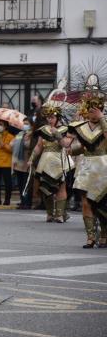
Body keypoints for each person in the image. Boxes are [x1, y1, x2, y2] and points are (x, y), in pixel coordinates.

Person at [63, 68, 107, 248]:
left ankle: (104, 235)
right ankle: (90, 237)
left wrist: (102, 119)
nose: (93, 112)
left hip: (104, 166)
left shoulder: (105, 124)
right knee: (86, 201)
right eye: (91, 109)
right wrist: (71, 151)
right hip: (87, 167)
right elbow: (83, 147)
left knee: (103, 203)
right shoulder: (81, 126)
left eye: (96, 109)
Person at [29, 102, 72, 223]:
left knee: (61, 187)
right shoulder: (43, 130)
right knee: (44, 187)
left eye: (52, 117)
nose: (50, 119)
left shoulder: (64, 129)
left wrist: (58, 135)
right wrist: (31, 158)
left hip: (59, 159)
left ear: (57, 117)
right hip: (45, 160)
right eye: (48, 117)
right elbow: (38, 146)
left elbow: (65, 144)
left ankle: (59, 214)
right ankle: (49, 213)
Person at [10, 118, 33, 209]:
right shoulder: (20, 134)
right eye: (24, 124)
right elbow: (12, 144)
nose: (25, 125)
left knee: (26, 184)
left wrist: (26, 141)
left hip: (27, 163)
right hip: (19, 163)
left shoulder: (32, 135)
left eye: (27, 124)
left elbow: (29, 146)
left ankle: (27, 202)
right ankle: (22, 201)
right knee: (20, 184)